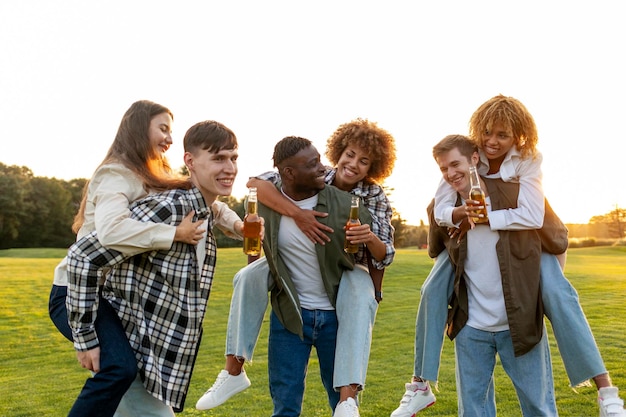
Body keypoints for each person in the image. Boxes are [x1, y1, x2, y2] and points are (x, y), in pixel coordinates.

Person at [391, 96, 626, 417]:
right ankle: (419, 383)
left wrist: (488, 216)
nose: (492, 142)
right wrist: (459, 214)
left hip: (527, 259)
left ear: (518, 135)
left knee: (559, 292)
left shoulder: (527, 161)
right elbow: (438, 208)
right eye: (487, 133)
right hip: (473, 313)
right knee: (432, 289)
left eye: (503, 135)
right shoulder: (465, 161)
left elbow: (535, 216)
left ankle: (605, 389)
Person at [196, 119, 396, 417]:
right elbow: (256, 183)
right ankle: (233, 369)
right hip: (292, 313)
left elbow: (384, 253)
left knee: (359, 290)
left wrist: (369, 248)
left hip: (343, 283)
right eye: (349, 155)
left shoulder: (368, 197)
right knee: (247, 276)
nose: (353, 164)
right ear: (338, 152)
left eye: (364, 161)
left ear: (373, 167)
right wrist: (299, 215)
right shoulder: (314, 177)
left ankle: (348, 398)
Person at [65, 119, 246, 415]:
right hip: (134, 353)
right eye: (218, 158)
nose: (229, 168)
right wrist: (85, 338)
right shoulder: (169, 208)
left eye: (233, 158)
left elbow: (216, 209)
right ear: (190, 161)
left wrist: (241, 226)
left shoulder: (200, 209)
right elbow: (82, 257)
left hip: (152, 367)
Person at [431, 134, 560, 415]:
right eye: (444, 169)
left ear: (475, 159)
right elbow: (435, 228)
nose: (451, 174)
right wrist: (456, 214)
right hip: (471, 328)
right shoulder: (449, 207)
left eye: (456, 164)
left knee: (539, 408)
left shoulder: (513, 198)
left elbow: (557, 237)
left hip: (519, 325)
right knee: (473, 411)